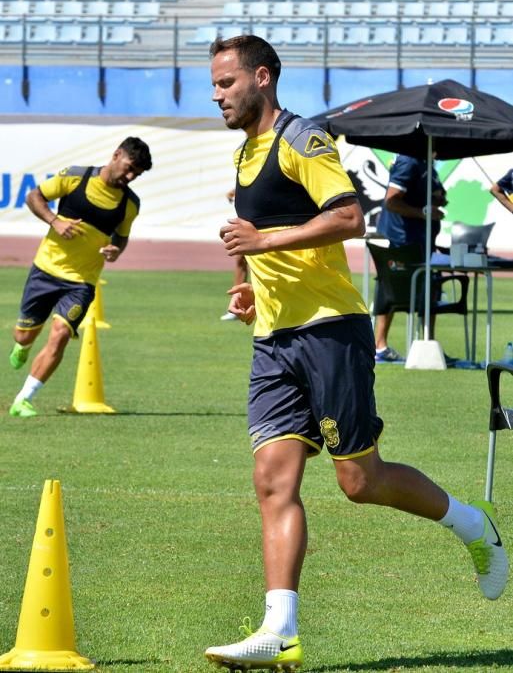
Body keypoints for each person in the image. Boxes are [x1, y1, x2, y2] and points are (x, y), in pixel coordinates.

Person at [205, 35, 508, 671]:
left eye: (227, 83)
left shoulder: (303, 139)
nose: (217, 94)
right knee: (272, 481)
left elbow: (348, 219)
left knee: (359, 482)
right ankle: (279, 629)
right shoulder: (244, 154)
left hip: (329, 332)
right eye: (214, 84)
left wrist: (263, 243)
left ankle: (471, 524)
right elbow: (250, 237)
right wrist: (245, 288)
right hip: (273, 341)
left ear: (262, 77)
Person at [8, 136, 152, 418]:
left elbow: (121, 238)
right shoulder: (76, 177)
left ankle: (24, 399)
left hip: (81, 282)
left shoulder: (130, 204)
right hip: (46, 270)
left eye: (137, 173)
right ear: (116, 155)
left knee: (61, 334)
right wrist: (55, 221)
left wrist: (115, 251)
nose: (131, 176)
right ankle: (23, 346)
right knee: (23, 334)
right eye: (130, 167)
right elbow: (33, 196)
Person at [373, 154, 447, 363]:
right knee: (392, 289)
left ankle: (429, 345)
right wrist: (423, 212)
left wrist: (437, 199)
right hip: (401, 241)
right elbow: (392, 200)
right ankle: (379, 345)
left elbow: (435, 192)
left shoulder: (427, 164)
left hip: (421, 241)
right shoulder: (409, 161)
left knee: (430, 288)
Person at [220, 188, 249, 321]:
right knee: (240, 257)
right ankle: (238, 302)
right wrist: (235, 190)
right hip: (251, 215)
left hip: (267, 217)